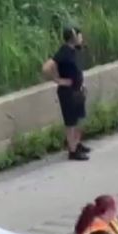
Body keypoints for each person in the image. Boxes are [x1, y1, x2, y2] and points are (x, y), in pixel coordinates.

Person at [44, 26, 90, 161]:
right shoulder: (64, 52)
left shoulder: (75, 50)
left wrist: (82, 84)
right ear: (74, 37)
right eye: (80, 35)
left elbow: (77, 71)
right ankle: (72, 150)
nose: (82, 38)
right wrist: (58, 80)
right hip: (67, 92)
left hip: (77, 89)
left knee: (79, 118)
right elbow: (47, 67)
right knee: (71, 122)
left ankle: (77, 143)